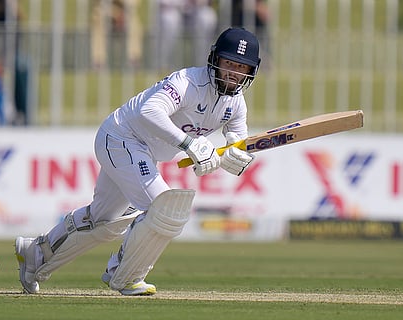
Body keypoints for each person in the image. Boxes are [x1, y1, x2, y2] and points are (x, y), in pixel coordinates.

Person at [15, 27, 261, 296]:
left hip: (140, 150)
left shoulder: (236, 104)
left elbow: (237, 140)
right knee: (166, 208)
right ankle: (124, 275)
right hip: (121, 137)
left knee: (104, 222)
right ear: (215, 59)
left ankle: (37, 253)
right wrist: (190, 144)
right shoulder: (188, 82)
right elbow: (150, 110)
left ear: (251, 72)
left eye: (241, 67)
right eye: (229, 63)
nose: (234, 73)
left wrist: (232, 156)